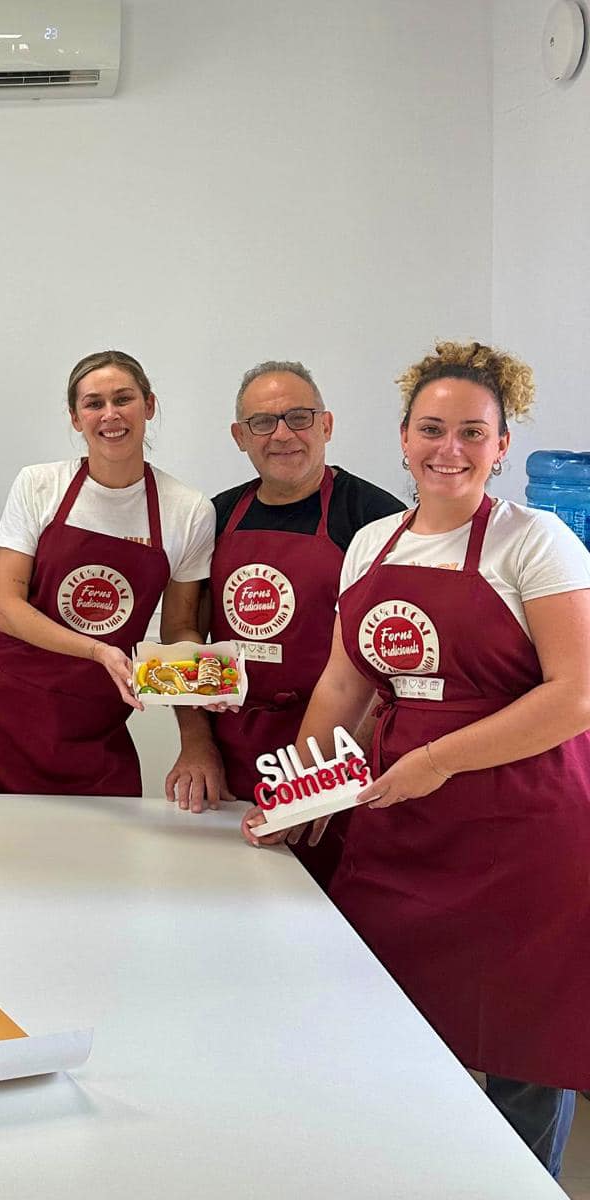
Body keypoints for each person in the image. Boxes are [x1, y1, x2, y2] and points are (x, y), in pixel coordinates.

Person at [243, 341, 590, 1176]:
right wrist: (301, 793)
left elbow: (575, 694)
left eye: (473, 432)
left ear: (502, 446)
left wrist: (438, 761)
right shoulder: (371, 544)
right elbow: (342, 686)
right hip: (403, 826)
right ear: (402, 438)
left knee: (519, 1047)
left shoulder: (535, 543)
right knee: (382, 1032)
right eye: (432, 429)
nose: (450, 449)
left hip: (524, 828)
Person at [0, 351, 217, 798]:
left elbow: (180, 628)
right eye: (93, 403)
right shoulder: (39, 485)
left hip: (96, 721)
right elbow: (8, 610)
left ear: (149, 405)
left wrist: (198, 729)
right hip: (1, 711)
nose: (110, 415)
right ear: (75, 418)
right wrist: (97, 651)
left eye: (123, 399)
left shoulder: (187, 510)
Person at [175, 361, 401, 882]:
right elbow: (183, 630)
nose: (282, 434)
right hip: (230, 760)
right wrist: (196, 742)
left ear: (326, 425)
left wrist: (321, 778)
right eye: (262, 422)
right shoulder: (216, 516)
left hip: (342, 760)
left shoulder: (374, 518)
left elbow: (385, 666)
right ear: (239, 436)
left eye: (298, 417)